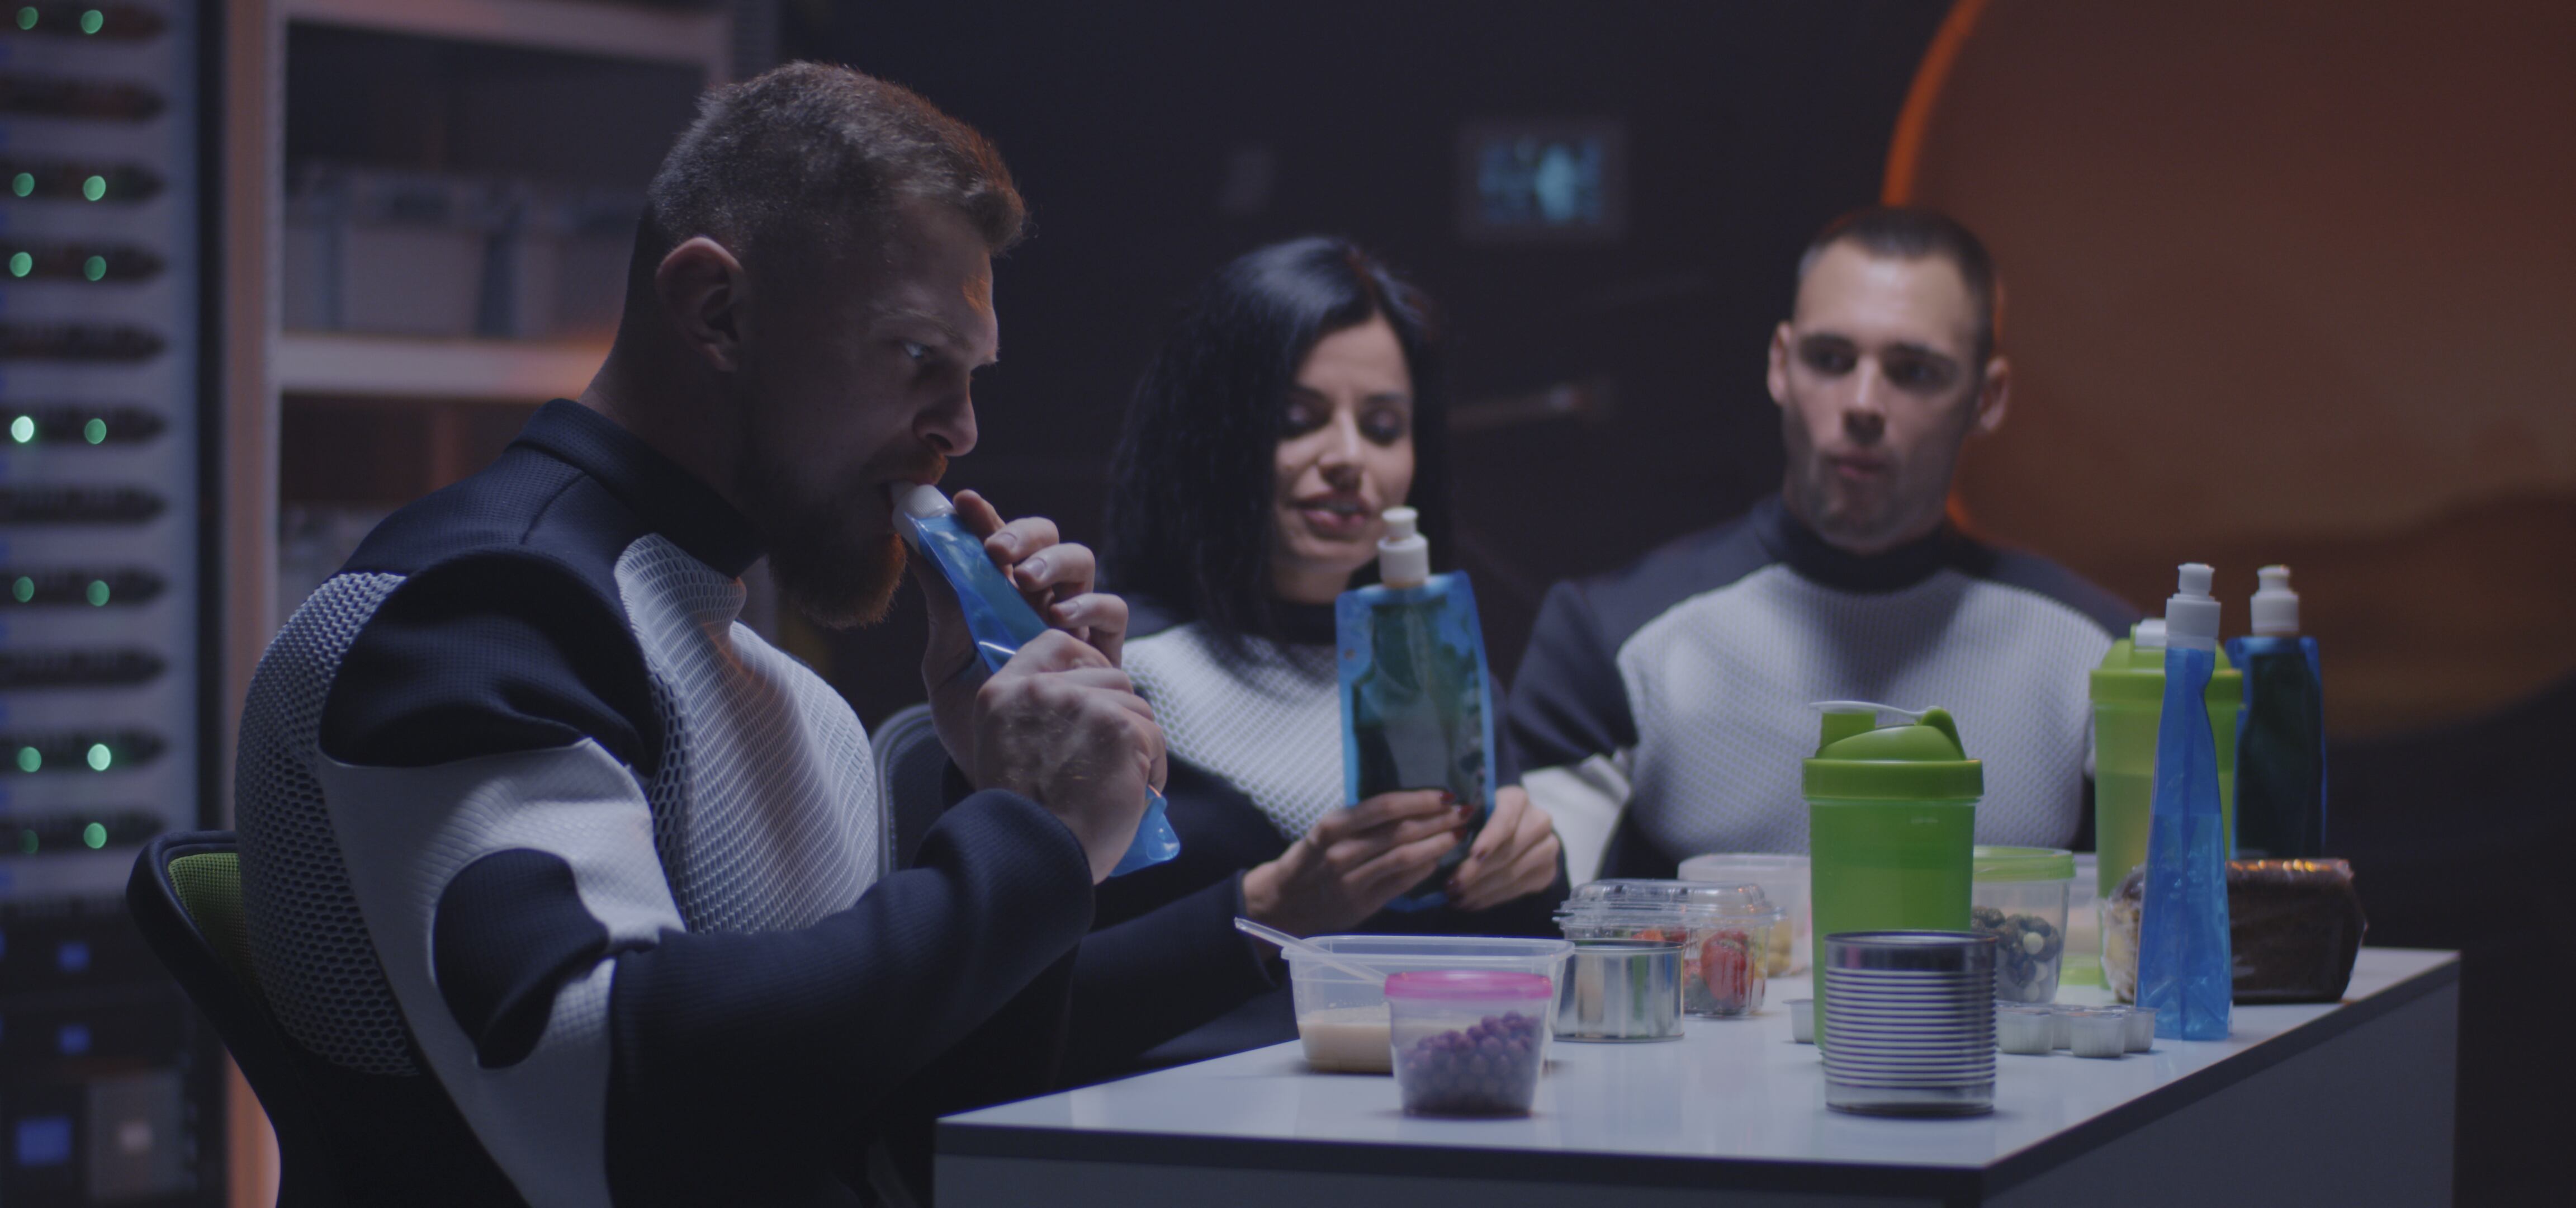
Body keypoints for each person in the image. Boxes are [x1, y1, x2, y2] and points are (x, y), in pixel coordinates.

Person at [231, 64, 1163, 1207]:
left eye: (971, 378)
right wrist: (1031, 841)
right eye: (919, 358)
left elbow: (912, 1162)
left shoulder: (783, 693)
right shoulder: (474, 609)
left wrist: (986, 783)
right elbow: (607, 1119)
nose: (960, 429)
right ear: (717, 311)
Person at [1509, 207, 2135, 883]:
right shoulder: (1614, 641)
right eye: (1830, 360)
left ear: (1987, 397)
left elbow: (2164, 938)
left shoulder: (2103, 662)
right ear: (1780, 365)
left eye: (1914, 371)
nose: (1863, 402)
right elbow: (1533, 933)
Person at [1073, 237, 1567, 1078]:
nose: (1348, 459)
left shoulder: (1443, 676)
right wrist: (1270, 910)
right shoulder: (1110, 672)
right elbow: (1020, 1013)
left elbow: (1508, 983)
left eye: (1383, 427)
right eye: (1297, 418)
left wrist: (1534, 876)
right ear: (1211, 428)